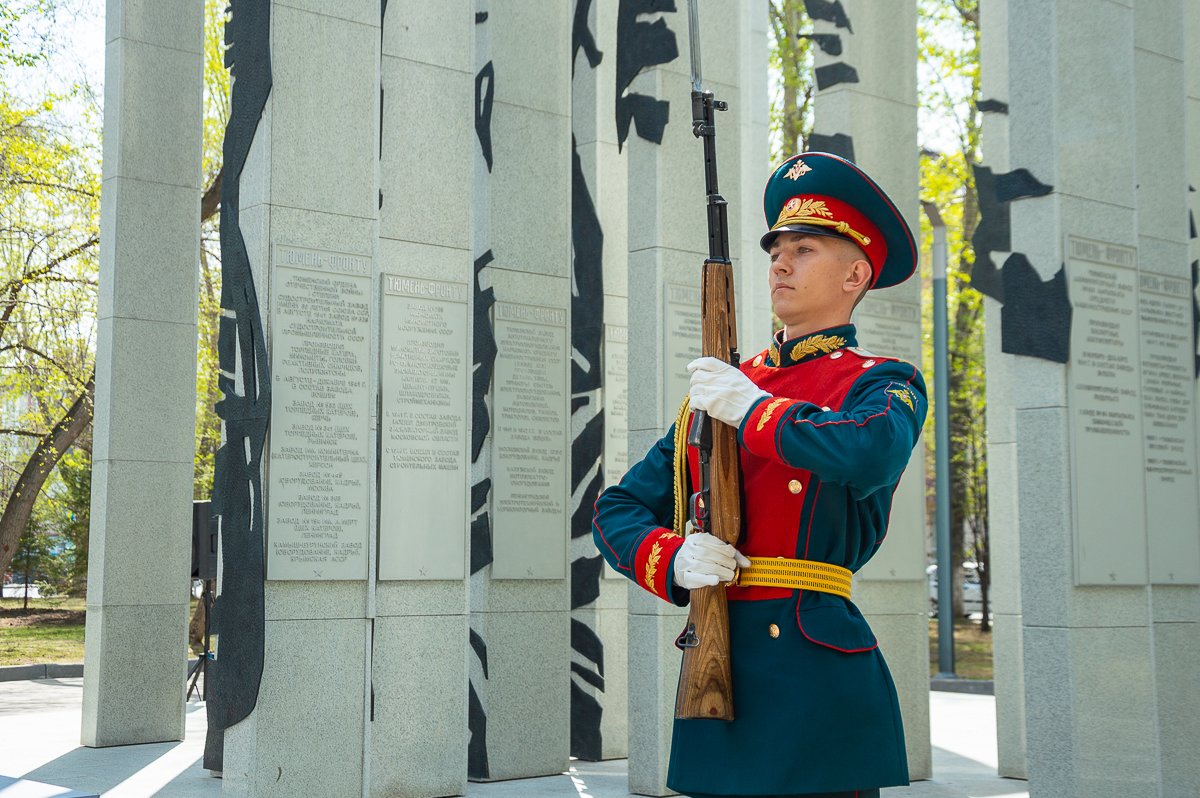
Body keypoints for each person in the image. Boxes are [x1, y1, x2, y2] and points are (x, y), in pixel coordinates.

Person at [592, 152, 928, 798]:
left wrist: (756, 411)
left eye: (805, 249)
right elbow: (617, 510)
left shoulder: (880, 383)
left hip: (815, 682)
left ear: (856, 274)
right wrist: (673, 558)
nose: (780, 261)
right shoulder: (718, 394)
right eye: (777, 247)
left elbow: (868, 450)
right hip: (720, 675)